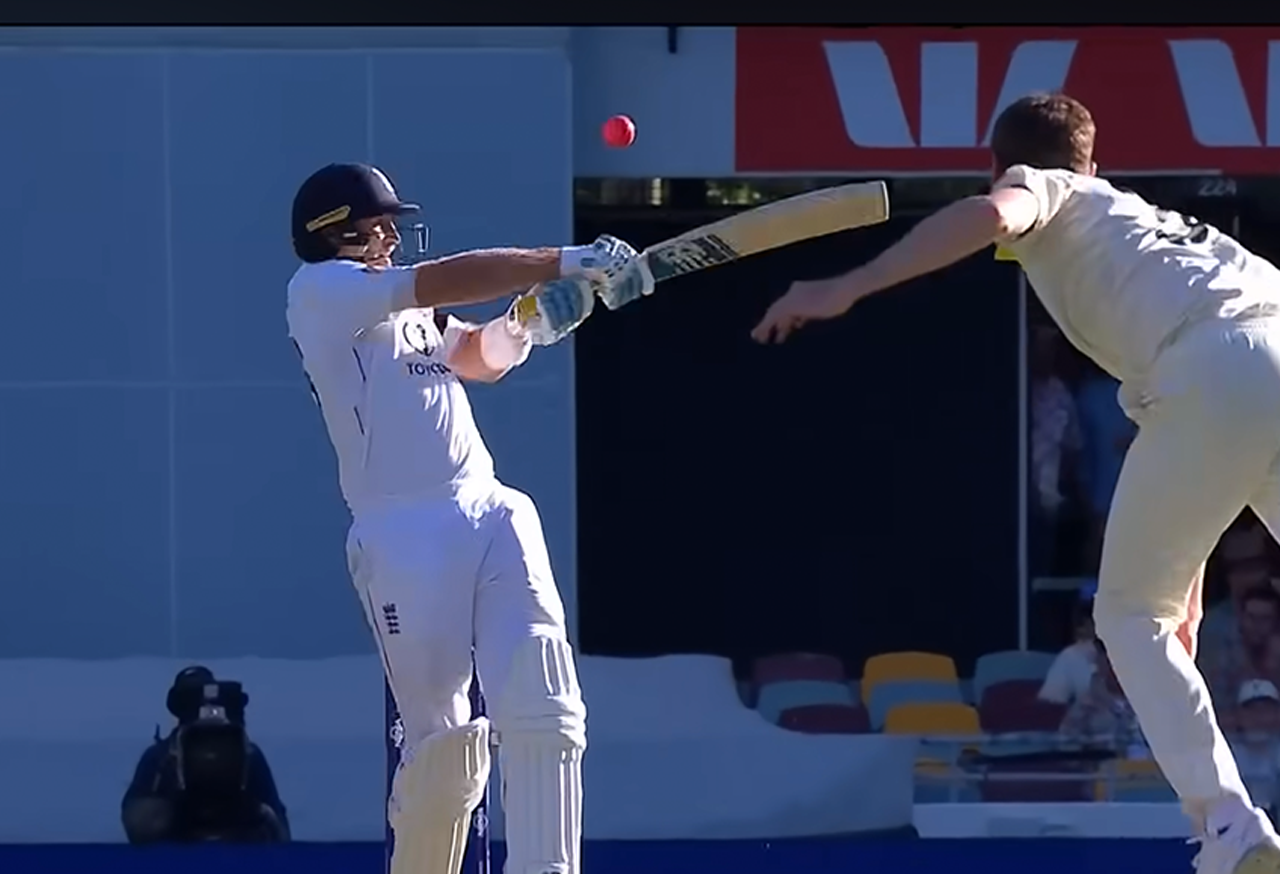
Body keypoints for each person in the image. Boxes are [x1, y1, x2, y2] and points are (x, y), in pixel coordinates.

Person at [747, 93, 1280, 872]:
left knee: (1129, 616)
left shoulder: (1047, 190)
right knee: (1154, 604)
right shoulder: (1151, 230)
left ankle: (1227, 821)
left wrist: (847, 286)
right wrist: (1187, 577)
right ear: (1097, 164)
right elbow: (1233, 391)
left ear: (998, 165)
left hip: (1208, 370)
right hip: (1265, 343)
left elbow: (993, 215)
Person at [286, 162, 642, 874]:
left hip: (485, 505)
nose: (391, 236)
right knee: (444, 756)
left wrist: (524, 325)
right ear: (334, 232)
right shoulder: (320, 291)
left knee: (545, 703)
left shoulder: (402, 308)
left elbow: (475, 357)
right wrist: (568, 260)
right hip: (401, 533)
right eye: (378, 224)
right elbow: (443, 279)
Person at [121, 666, 289, 843]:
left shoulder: (249, 757)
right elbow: (136, 825)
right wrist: (168, 812)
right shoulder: (161, 759)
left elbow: (279, 829)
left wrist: (254, 812)